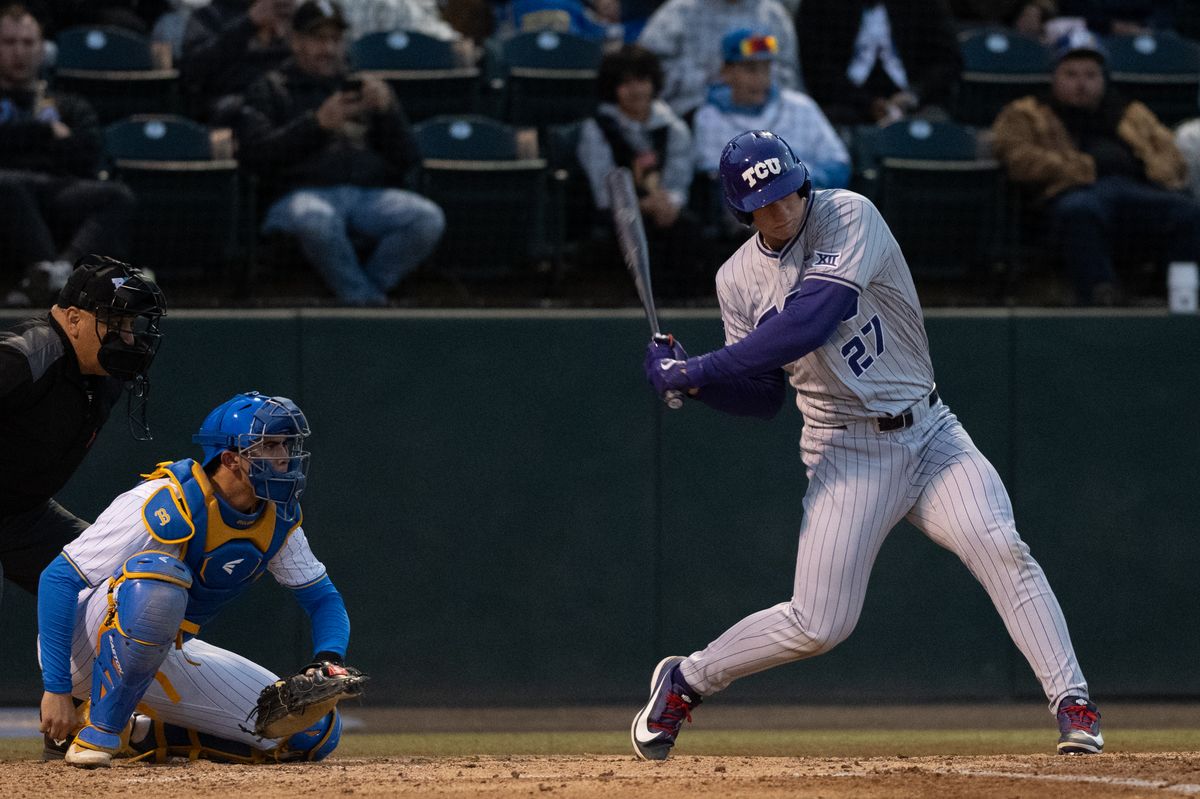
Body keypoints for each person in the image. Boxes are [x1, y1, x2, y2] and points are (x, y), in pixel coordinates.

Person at [631, 129, 1103, 761]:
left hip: (932, 431)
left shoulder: (849, 213)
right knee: (819, 624)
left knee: (999, 545)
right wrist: (693, 386)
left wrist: (697, 371)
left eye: (788, 190)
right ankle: (686, 679)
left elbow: (810, 320)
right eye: (765, 201)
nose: (783, 207)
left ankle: (1073, 703)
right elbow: (764, 396)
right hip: (846, 452)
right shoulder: (737, 279)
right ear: (742, 212)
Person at [38, 391, 354, 767]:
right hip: (84, 648)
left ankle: (140, 734)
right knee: (160, 580)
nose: (284, 455)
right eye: (270, 445)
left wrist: (327, 661)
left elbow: (323, 599)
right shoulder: (166, 498)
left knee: (311, 729)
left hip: (164, 650)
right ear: (231, 459)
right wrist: (56, 688)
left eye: (286, 444)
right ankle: (99, 731)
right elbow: (58, 578)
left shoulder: (276, 516)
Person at [239, 0, 445, 306]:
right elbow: (257, 157)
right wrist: (316, 125)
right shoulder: (270, 88)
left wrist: (389, 112)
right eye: (318, 39)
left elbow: (408, 160)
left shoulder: (360, 86)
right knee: (316, 220)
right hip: (298, 195)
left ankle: (362, 295)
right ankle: (368, 303)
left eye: (335, 39)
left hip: (365, 196)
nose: (329, 49)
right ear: (295, 41)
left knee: (426, 218)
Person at [0, 255, 165, 615]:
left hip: (23, 517)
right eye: (115, 322)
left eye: (130, 324)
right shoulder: (26, 355)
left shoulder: (106, 376)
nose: (127, 337)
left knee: (135, 586)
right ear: (74, 319)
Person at [991, 29, 1200, 305]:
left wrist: (1149, 167)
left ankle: (1169, 292)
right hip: (1071, 194)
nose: (1082, 84)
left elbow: (1172, 157)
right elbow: (1018, 159)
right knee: (1081, 210)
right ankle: (1101, 294)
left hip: (1135, 191)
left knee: (1189, 213)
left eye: (1091, 75)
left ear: (1104, 78)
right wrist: (1085, 167)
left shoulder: (1131, 112)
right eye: (1071, 74)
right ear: (1054, 76)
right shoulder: (1027, 112)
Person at [0, 4, 137, 306]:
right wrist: (47, 133)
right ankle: (48, 273)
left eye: (27, 43)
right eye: (9, 43)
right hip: (7, 194)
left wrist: (20, 140)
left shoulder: (69, 104)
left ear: (43, 49)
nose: (18, 52)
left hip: (56, 190)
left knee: (117, 196)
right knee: (6, 183)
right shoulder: (51, 121)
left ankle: (58, 273)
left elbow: (87, 151)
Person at [576, 44, 703, 294]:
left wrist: (669, 203)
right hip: (617, 214)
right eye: (626, 83)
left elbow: (678, 183)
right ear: (613, 89)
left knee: (687, 231)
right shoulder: (598, 129)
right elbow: (604, 190)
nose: (635, 90)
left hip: (664, 211)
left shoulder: (673, 128)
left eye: (641, 80)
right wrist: (641, 205)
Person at [693, 29, 849, 189]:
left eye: (766, 68)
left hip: (809, 201)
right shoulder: (709, 117)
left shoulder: (801, 107)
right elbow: (715, 179)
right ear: (726, 71)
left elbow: (838, 163)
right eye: (751, 69)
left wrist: (800, 184)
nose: (761, 79)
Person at [796, 0, 961, 127]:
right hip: (844, 103)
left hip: (914, 103)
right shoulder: (820, 4)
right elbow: (816, 68)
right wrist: (867, 104)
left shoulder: (925, 5)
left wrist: (915, 94)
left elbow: (948, 60)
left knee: (937, 127)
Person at [637, 0, 798, 120]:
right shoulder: (678, 12)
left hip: (765, 116)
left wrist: (749, 84)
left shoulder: (772, 14)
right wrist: (712, 81)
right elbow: (646, 72)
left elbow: (788, 74)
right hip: (691, 115)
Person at [180, 0, 294, 124]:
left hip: (284, 98)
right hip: (235, 105)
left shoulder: (286, 13)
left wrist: (290, 33)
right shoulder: (208, 16)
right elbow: (193, 68)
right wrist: (248, 23)